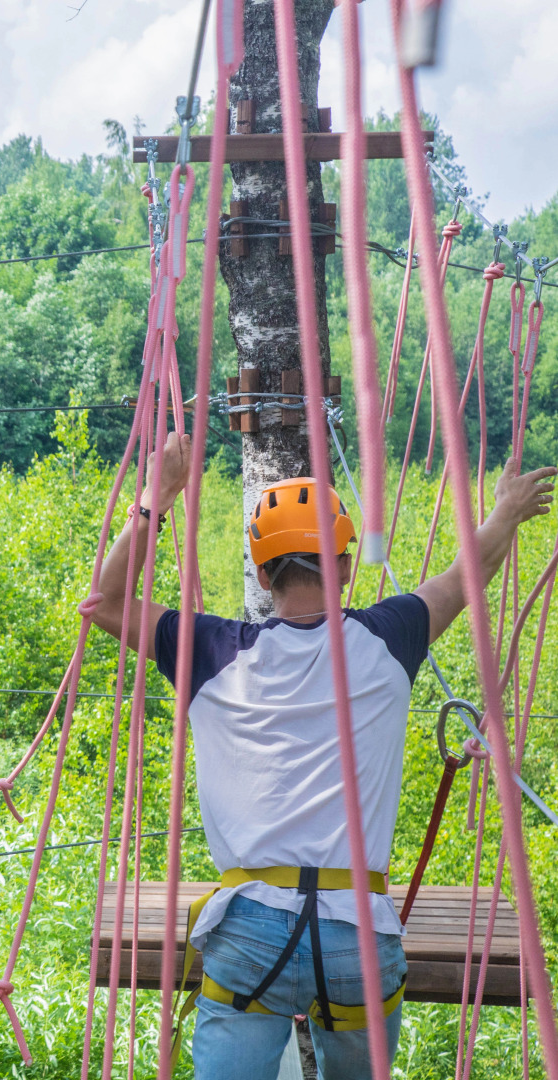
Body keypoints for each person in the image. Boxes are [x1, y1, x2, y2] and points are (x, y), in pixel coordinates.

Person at [89, 430, 555, 1080]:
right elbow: (465, 576)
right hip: (356, 936)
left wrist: (157, 495)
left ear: (260, 572)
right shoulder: (390, 638)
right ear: (342, 562)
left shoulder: (213, 653)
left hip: (249, 929)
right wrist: (504, 513)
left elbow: (104, 603)